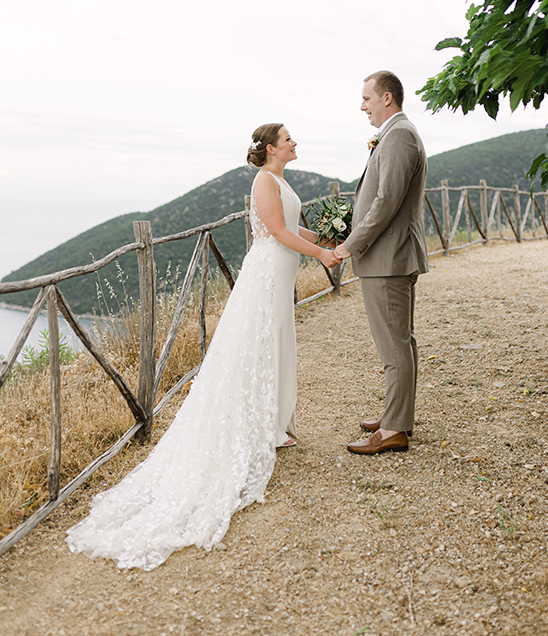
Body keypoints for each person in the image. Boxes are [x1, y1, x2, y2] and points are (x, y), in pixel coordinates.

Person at [66, 123, 339, 570]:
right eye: (288, 138)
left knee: (275, 346)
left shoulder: (282, 180)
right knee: (259, 349)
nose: (295, 142)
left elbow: (293, 230)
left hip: (280, 269)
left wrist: (326, 240)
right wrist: (321, 255)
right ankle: (262, 429)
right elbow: (276, 232)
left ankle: (274, 425)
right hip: (268, 275)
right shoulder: (264, 181)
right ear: (271, 148)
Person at [334, 71, 428, 455]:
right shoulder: (395, 134)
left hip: (387, 258)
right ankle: (397, 416)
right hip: (389, 256)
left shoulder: (400, 135)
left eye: (366, 99)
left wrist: (351, 244)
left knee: (394, 347)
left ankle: (393, 431)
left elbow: (386, 200)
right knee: (400, 342)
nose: (362, 107)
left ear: (387, 98)